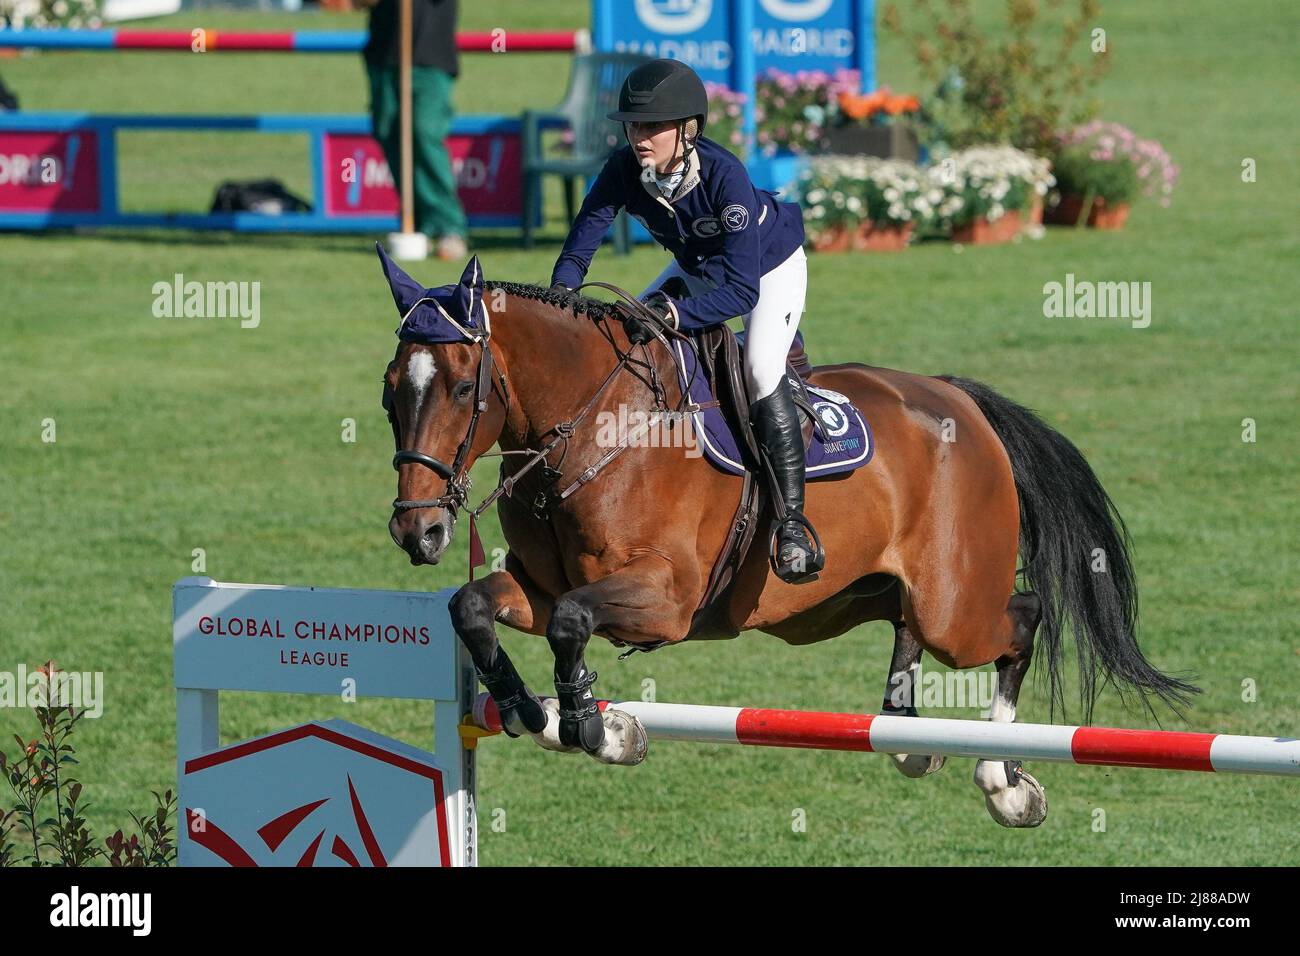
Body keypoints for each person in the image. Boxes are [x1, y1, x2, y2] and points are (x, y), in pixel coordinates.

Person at [550, 58, 824, 584]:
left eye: (652, 126)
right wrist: (561, 297)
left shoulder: (726, 178)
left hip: (768, 270)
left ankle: (792, 523)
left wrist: (676, 312)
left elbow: (742, 290)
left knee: (761, 369)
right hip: (698, 265)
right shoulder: (625, 168)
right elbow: (584, 236)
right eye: (633, 125)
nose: (640, 137)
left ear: (688, 129)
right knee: (630, 337)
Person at [359, 0, 468, 260]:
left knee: (424, 132)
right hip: (384, 53)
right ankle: (415, 218)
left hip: (430, 55)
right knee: (388, 130)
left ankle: (447, 225)